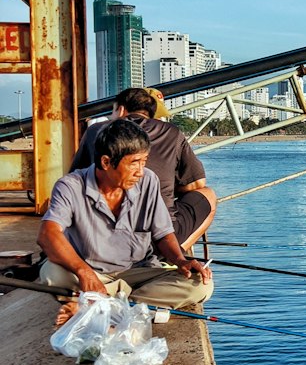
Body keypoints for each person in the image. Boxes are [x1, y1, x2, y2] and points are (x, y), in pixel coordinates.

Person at [39, 118, 214, 316]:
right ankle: (127, 305)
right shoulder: (70, 186)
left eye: (144, 162)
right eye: (134, 163)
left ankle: (106, 303)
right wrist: (84, 272)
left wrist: (180, 260)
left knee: (200, 285)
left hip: (138, 272)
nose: (140, 172)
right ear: (106, 162)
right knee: (51, 273)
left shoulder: (148, 180)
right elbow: (48, 235)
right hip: (90, 272)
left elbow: (163, 234)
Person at [72, 86, 216, 251]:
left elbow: (77, 178)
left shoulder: (95, 131)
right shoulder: (171, 133)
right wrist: (168, 186)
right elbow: (197, 183)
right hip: (158, 234)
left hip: (101, 233)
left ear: (120, 110)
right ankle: (174, 254)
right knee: (208, 195)